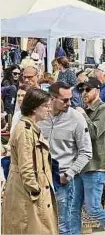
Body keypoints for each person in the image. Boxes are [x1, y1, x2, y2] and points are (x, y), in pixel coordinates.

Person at [39, 82, 92, 235]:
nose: (69, 103)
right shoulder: (40, 116)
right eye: (65, 100)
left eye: (70, 99)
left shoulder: (76, 118)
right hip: (40, 178)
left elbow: (86, 152)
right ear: (51, 98)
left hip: (62, 179)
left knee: (63, 226)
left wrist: (68, 174)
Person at [2, 88, 58, 234]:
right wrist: (35, 190)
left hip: (30, 192)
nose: (49, 109)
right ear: (34, 107)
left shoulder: (29, 128)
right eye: (45, 106)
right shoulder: (25, 131)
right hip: (27, 195)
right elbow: (26, 166)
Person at [70, 77, 105, 234]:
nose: (84, 92)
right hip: (79, 165)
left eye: (87, 89)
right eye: (82, 90)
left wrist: (82, 115)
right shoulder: (85, 110)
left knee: (93, 208)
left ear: (97, 91)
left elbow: (94, 132)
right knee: (73, 207)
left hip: (96, 166)